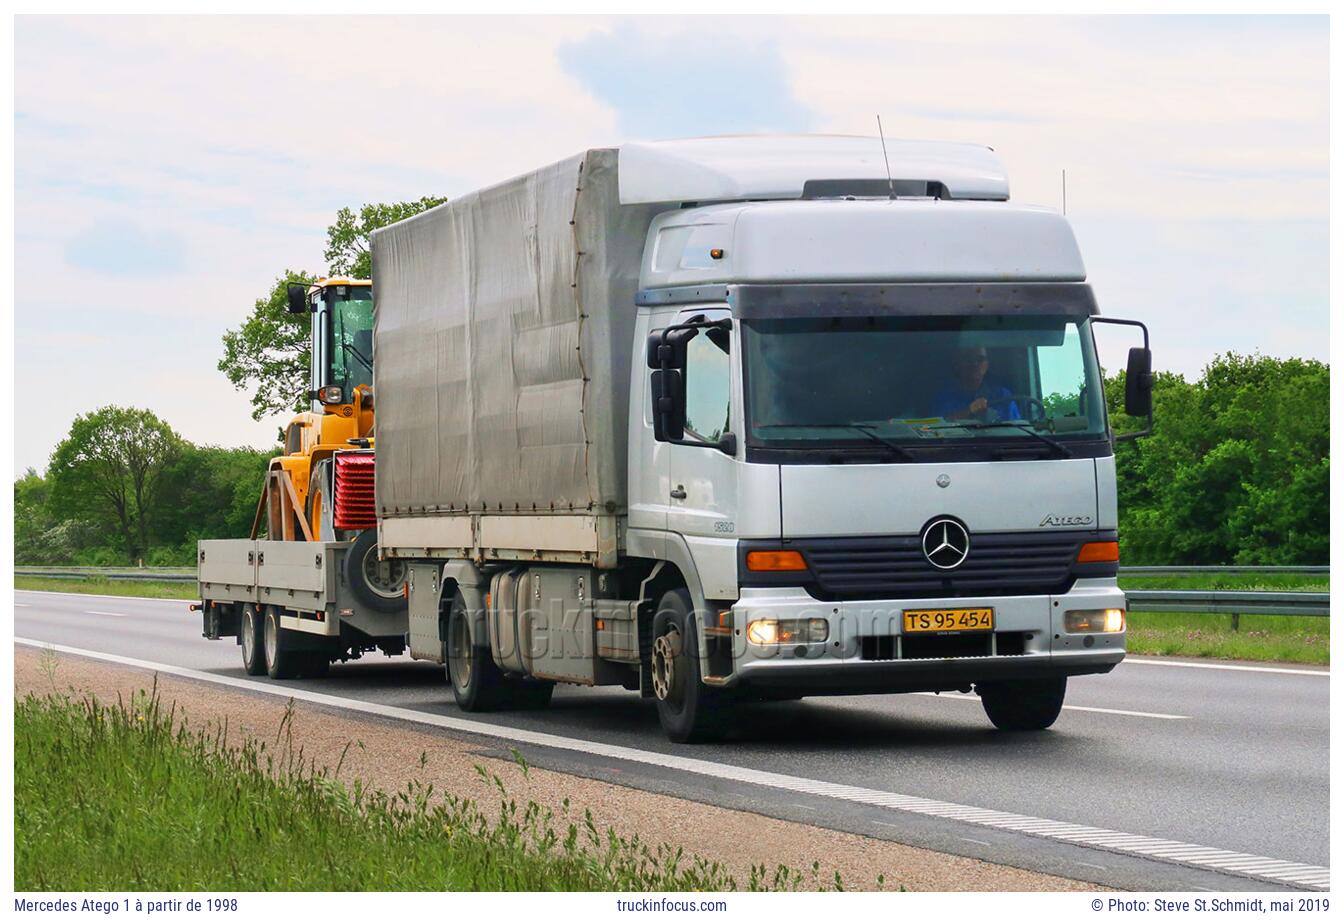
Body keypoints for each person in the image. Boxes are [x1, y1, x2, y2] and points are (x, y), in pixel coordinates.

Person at [934, 346, 1020, 421]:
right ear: (957, 365)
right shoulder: (945, 397)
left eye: (980, 359)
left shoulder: (1003, 395)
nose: (975, 364)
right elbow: (935, 428)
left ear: (987, 365)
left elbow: (1018, 429)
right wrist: (969, 411)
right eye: (968, 359)